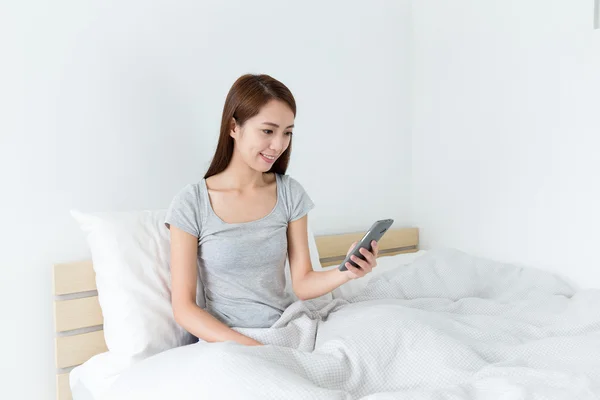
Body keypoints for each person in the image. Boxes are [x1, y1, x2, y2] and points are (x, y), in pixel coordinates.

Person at [165, 74, 379, 347]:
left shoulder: (290, 193)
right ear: (233, 127)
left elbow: (302, 284)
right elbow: (184, 309)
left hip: (287, 330)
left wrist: (347, 271)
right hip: (228, 343)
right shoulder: (191, 203)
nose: (278, 145)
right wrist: (254, 349)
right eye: (268, 131)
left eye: (287, 132)